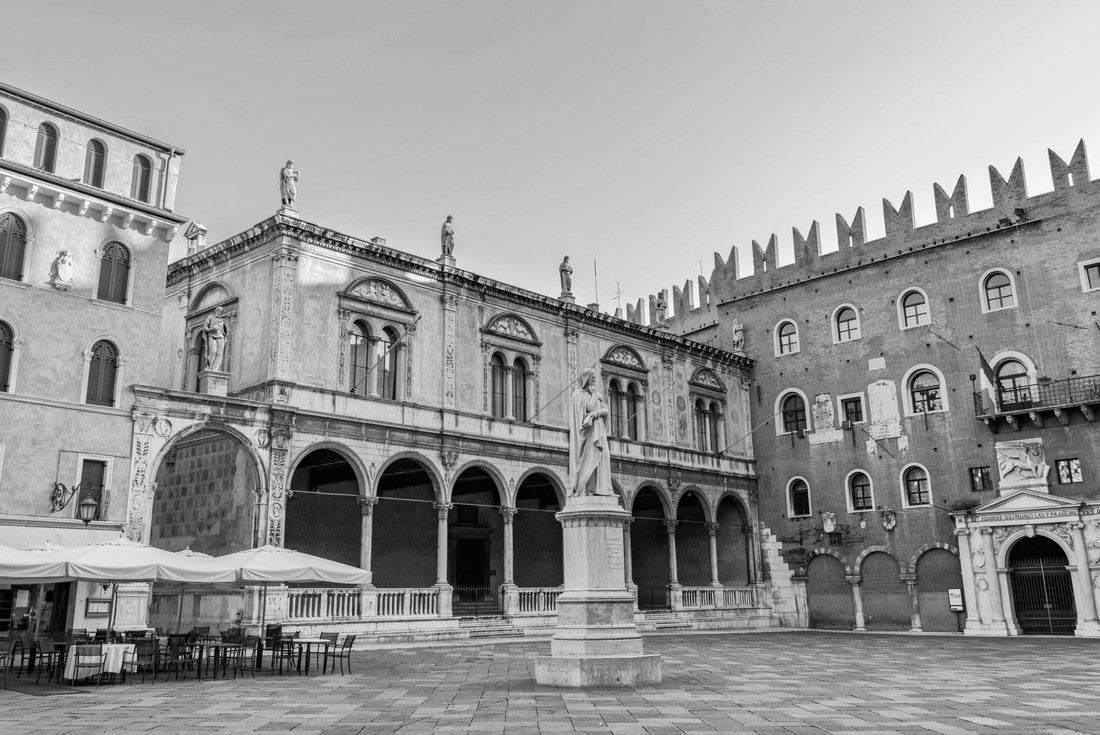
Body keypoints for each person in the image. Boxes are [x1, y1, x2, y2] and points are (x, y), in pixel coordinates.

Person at [567, 368, 614, 497]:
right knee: (590, 459)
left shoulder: (596, 394)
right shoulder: (577, 394)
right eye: (592, 377)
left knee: (603, 457)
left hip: (599, 431)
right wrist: (593, 397)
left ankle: (599, 489)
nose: (594, 380)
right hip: (589, 433)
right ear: (586, 378)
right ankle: (586, 488)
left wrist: (595, 413)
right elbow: (588, 408)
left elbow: (605, 410)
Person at [202, 307, 228, 371]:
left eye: (221, 311)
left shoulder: (222, 321)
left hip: (221, 337)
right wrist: (211, 329)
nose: (220, 312)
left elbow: (222, 330)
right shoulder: (210, 317)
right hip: (212, 336)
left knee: (219, 353)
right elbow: (205, 327)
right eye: (219, 310)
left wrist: (225, 337)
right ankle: (208, 367)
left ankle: (216, 369)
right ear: (215, 311)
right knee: (213, 351)